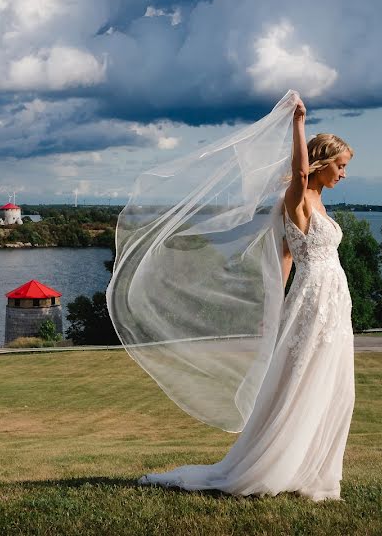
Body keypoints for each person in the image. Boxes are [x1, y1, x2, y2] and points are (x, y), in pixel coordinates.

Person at [136, 94, 357, 501]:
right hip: (315, 297)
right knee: (301, 380)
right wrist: (298, 123)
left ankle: (311, 468)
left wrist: (276, 302)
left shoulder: (320, 204)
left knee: (331, 383)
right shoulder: (297, 196)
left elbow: (286, 258)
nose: (344, 174)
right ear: (321, 164)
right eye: (341, 166)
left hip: (331, 299)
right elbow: (297, 172)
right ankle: (274, 463)